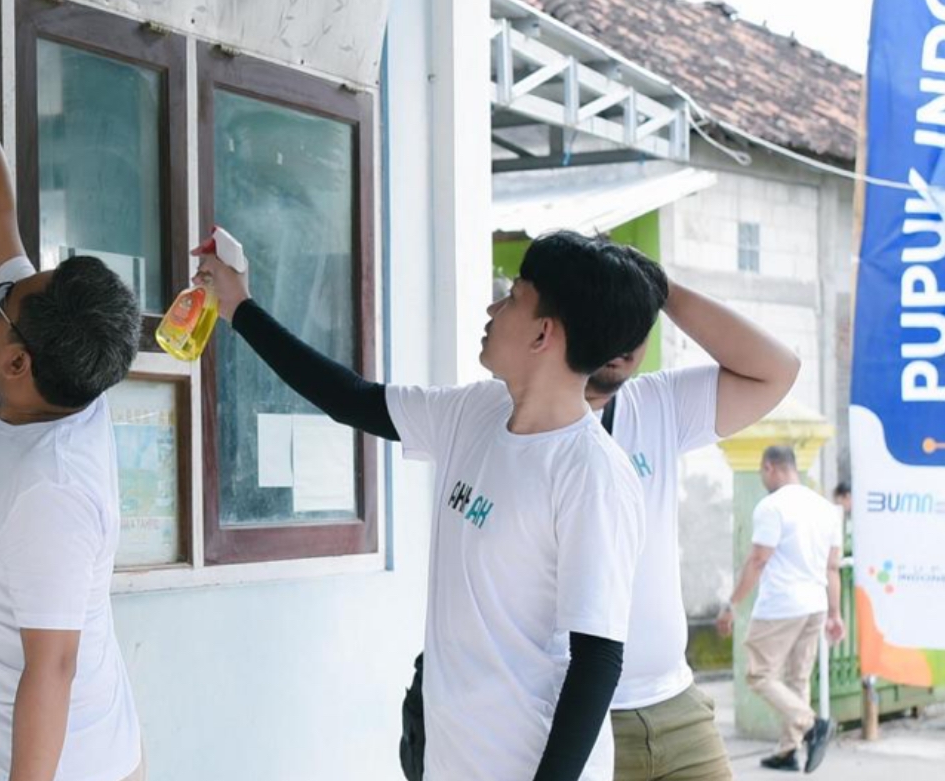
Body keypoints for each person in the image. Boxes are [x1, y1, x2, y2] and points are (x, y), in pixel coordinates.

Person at [195, 231, 662, 781]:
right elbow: (350, 399)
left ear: (544, 333)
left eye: (513, 297)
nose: (493, 309)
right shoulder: (477, 411)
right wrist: (239, 307)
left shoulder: (592, 475)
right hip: (450, 760)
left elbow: (597, 660)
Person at [0, 58, 145, 781]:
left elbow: (52, 669)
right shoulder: (50, 371)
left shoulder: (50, 493)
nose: (3, 282)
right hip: (0, 748)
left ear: (17, 362)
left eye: (9, 297)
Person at [585, 269, 800, 781]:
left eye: (637, 321)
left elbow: (778, 370)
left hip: (676, 705)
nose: (624, 340)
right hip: (576, 718)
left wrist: (662, 289)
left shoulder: (654, 403)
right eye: (608, 317)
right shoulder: (516, 419)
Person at [717, 446, 844, 774]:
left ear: (770, 467)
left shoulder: (772, 506)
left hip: (781, 605)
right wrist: (835, 614)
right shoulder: (826, 509)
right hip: (815, 605)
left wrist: (732, 605)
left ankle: (811, 724)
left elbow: (759, 559)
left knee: (759, 674)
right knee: (797, 678)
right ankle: (789, 750)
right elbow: (833, 568)